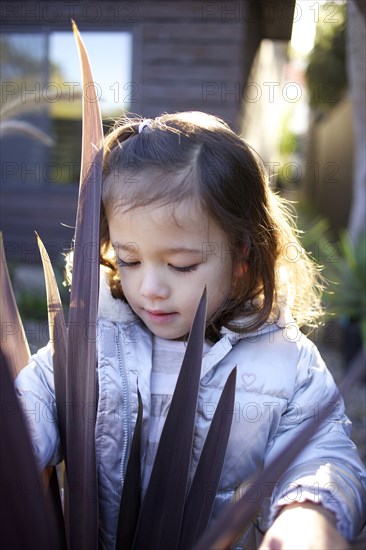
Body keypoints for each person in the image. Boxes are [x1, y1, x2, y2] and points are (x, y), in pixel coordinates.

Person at [15, 112, 365, 549]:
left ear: (242, 255)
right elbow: (32, 399)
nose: (149, 288)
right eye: (129, 259)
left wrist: (309, 514)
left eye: (181, 265)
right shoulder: (96, 339)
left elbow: (322, 451)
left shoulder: (287, 361)